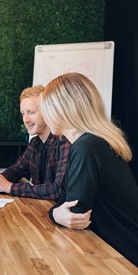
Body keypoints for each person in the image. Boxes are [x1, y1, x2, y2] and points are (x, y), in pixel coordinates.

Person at [39, 72, 138, 266]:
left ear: (62, 110)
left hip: (123, 258)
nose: (45, 116)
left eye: (47, 109)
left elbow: (75, 212)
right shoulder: (98, 141)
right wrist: (56, 212)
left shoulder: (86, 147)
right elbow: (63, 199)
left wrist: (55, 213)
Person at [0, 85, 71, 200]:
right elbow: (16, 170)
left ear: (48, 112)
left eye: (31, 112)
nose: (26, 120)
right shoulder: (34, 143)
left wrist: (10, 187)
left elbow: (57, 190)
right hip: (40, 209)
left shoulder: (64, 142)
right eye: (23, 113)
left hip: (59, 214)